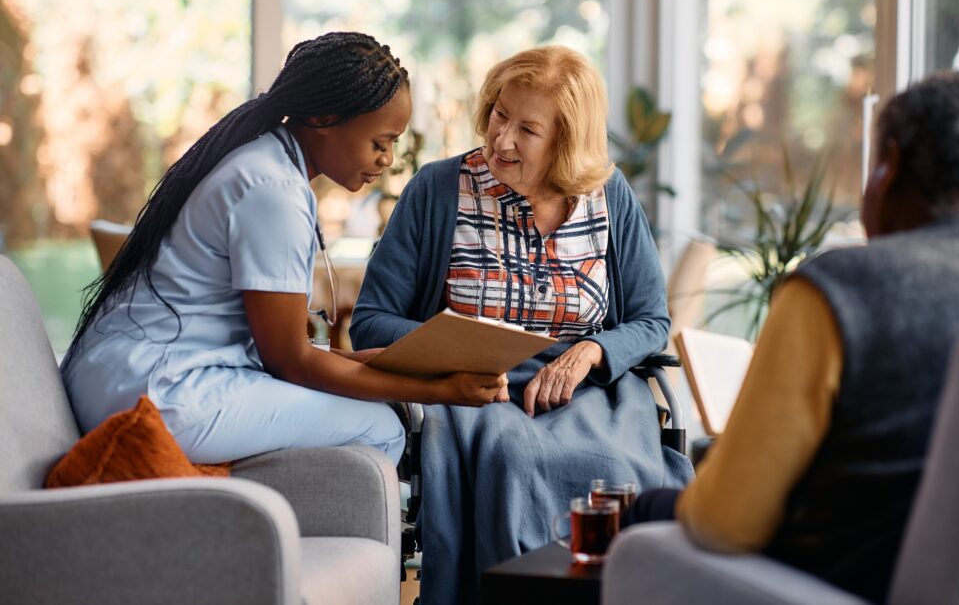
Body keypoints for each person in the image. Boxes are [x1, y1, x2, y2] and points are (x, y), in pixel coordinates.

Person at [623, 71, 959, 603]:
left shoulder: (840, 290)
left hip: (836, 578)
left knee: (644, 513)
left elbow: (725, 522)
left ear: (888, 167)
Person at [61, 32, 507, 467]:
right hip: (157, 393)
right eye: (380, 142)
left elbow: (284, 351)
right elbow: (290, 362)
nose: (388, 159)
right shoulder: (273, 190)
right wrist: (440, 392)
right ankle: (266, 536)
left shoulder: (263, 161)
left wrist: (390, 367)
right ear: (323, 120)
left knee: (372, 406)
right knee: (379, 428)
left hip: (123, 377)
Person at [350, 45, 694, 603]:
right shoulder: (439, 190)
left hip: (588, 391)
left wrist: (591, 353)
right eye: (499, 115)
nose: (502, 139)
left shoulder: (609, 195)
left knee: (615, 470)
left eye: (528, 129)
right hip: (475, 390)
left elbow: (652, 319)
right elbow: (369, 324)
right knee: (513, 462)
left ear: (566, 140)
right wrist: (457, 347)